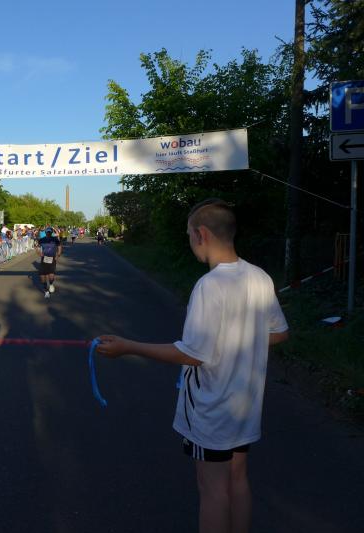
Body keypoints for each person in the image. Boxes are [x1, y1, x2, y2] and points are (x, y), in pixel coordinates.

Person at [95, 199, 289, 533]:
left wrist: (128, 347)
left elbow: (194, 354)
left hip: (210, 407)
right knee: (238, 480)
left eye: (189, 234)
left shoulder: (209, 285)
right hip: (245, 406)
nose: (189, 241)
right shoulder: (259, 276)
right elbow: (280, 332)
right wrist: (238, 341)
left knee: (212, 489)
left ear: (201, 234)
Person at [37, 228, 61, 299]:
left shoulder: (55, 239)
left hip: (52, 258)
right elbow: (38, 247)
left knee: (51, 276)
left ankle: (51, 284)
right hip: (44, 258)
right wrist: (39, 252)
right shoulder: (42, 239)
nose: (48, 233)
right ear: (45, 232)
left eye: (50, 232)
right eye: (47, 232)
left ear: (51, 233)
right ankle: (46, 291)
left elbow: (59, 246)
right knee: (42, 276)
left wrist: (58, 254)